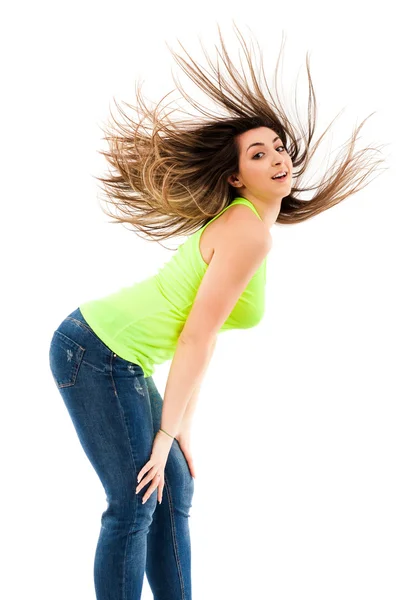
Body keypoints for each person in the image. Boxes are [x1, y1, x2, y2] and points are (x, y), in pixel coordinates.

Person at [48, 24, 387, 600]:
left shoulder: (249, 228)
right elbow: (196, 339)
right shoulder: (246, 232)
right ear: (236, 176)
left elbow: (201, 337)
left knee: (174, 489)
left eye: (278, 146)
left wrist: (177, 431)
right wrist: (161, 437)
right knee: (134, 500)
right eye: (259, 153)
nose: (277, 156)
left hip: (118, 355)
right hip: (96, 349)